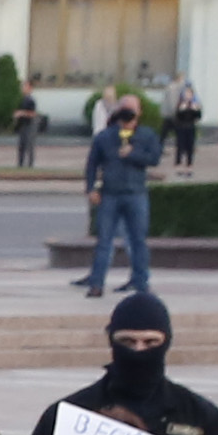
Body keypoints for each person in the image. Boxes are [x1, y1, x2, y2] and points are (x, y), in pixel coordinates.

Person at [79, 96, 155, 298]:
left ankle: (141, 282)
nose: (128, 113)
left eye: (132, 109)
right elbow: (92, 164)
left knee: (138, 240)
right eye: (124, 109)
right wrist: (91, 188)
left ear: (139, 112)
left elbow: (154, 157)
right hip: (110, 194)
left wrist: (133, 153)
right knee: (104, 240)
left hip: (136, 193)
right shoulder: (105, 137)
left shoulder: (146, 135)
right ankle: (97, 283)